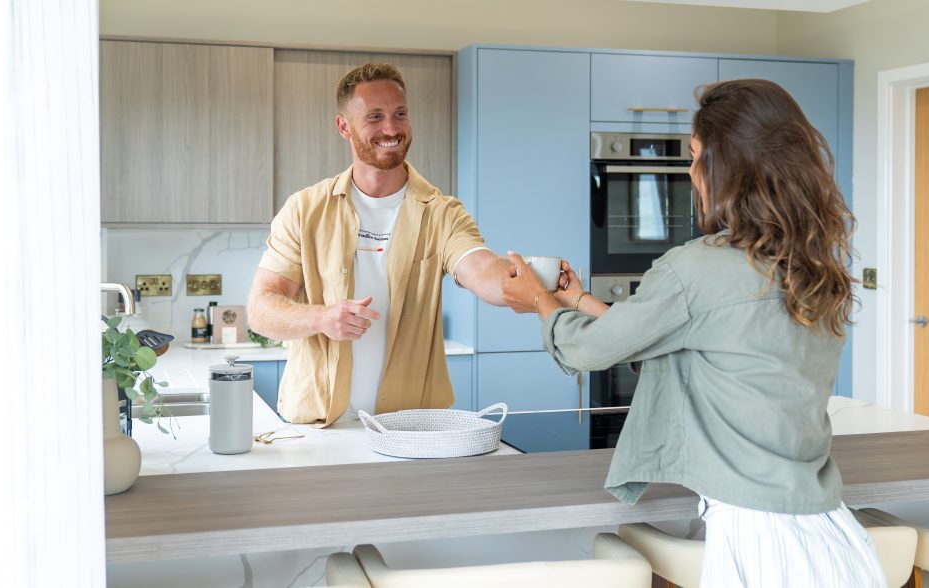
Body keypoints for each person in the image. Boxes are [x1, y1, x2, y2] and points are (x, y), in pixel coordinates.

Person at [501, 79, 886, 586]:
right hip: (834, 535)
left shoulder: (698, 268)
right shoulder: (813, 266)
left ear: (726, 168)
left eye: (696, 155)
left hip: (760, 546)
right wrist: (575, 299)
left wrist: (538, 300)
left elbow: (588, 350)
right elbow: (687, 335)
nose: (690, 171)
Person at [248, 63, 510, 426]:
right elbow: (261, 309)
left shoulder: (442, 212)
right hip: (320, 426)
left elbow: (481, 269)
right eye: (375, 117)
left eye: (400, 114)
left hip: (412, 427)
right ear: (344, 126)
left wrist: (526, 280)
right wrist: (321, 317)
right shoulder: (305, 209)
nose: (392, 128)